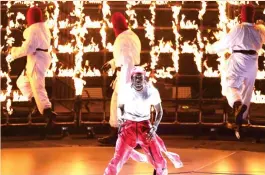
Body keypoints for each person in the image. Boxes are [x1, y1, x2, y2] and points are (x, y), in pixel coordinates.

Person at [104, 67, 183, 175]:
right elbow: (121, 107)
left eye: (140, 77)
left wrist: (154, 127)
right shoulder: (125, 90)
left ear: (144, 78)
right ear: (132, 78)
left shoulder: (151, 91)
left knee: (159, 161)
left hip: (145, 128)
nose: (138, 80)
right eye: (136, 77)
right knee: (117, 160)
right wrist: (121, 124)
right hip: (128, 128)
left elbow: (159, 111)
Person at [210, 4, 265, 139]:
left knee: (231, 86)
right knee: (247, 91)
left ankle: (237, 105)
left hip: (239, 60)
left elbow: (223, 44)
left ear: (241, 15)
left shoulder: (238, 29)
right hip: (253, 62)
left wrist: (211, 49)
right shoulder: (260, 30)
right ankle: (240, 123)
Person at [98, 12, 141, 144]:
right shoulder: (132, 36)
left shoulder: (122, 39)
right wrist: (111, 64)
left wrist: (125, 83)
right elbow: (125, 56)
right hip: (129, 73)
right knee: (117, 104)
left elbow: (127, 60)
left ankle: (128, 137)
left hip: (126, 75)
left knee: (124, 106)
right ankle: (117, 134)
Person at [10, 7, 57, 126]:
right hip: (39, 58)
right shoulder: (43, 28)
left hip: (37, 60)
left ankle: (48, 114)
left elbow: (27, 48)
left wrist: (13, 51)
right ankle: (37, 103)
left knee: (38, 86)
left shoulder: (33, 30)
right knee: (22, 82)